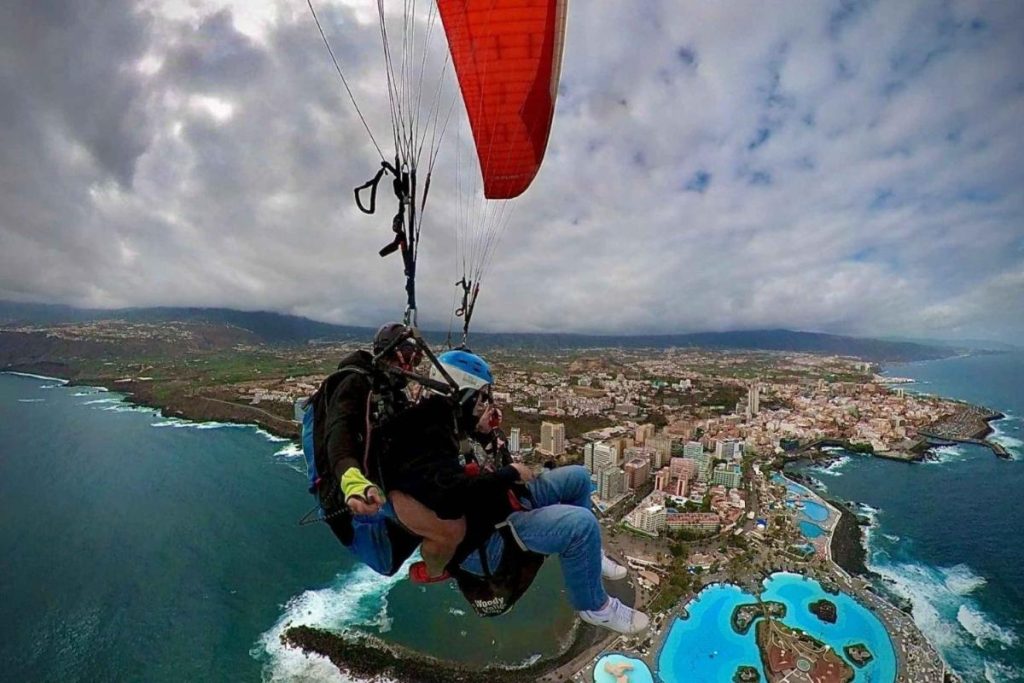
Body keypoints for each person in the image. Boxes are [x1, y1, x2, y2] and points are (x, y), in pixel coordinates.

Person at [383, 350, 651, 635]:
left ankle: (591, 559)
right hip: (488, 534)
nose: (485, 405)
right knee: (581, 525)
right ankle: (595, 607)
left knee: (579, 478)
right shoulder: (427, 437)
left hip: (500, 502)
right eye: (481, 398)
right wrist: (509, 474)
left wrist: (484, 434)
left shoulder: (448, 420)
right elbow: (450, 500)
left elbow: (471, 465)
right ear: (463, 394)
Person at [316, 322, 464, 577]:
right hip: (362, 502)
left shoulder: (391, 394)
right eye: (408, 357)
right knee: (450, 530)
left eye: (416, 361)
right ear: (390, 352)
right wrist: (352, 481)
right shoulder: (354, 383)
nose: (411, 368)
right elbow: (339, 434)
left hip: (384, 484)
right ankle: (434, 569)